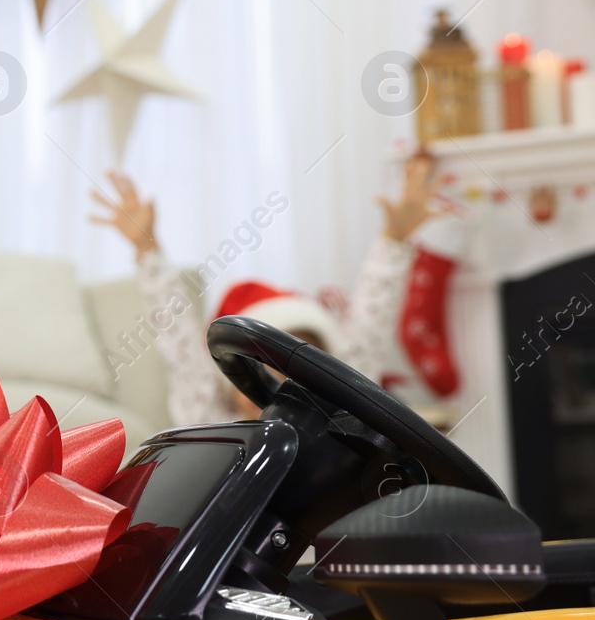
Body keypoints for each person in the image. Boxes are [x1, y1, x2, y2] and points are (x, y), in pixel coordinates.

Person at [89, 152, 441, 425]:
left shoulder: (338, 415)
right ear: (230, 377)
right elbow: (179, 344)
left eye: (293, 369)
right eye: (259, 366)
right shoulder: (210, 417)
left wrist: (394, 240)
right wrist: (147, 251)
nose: (276, 383)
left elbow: (368, 333)